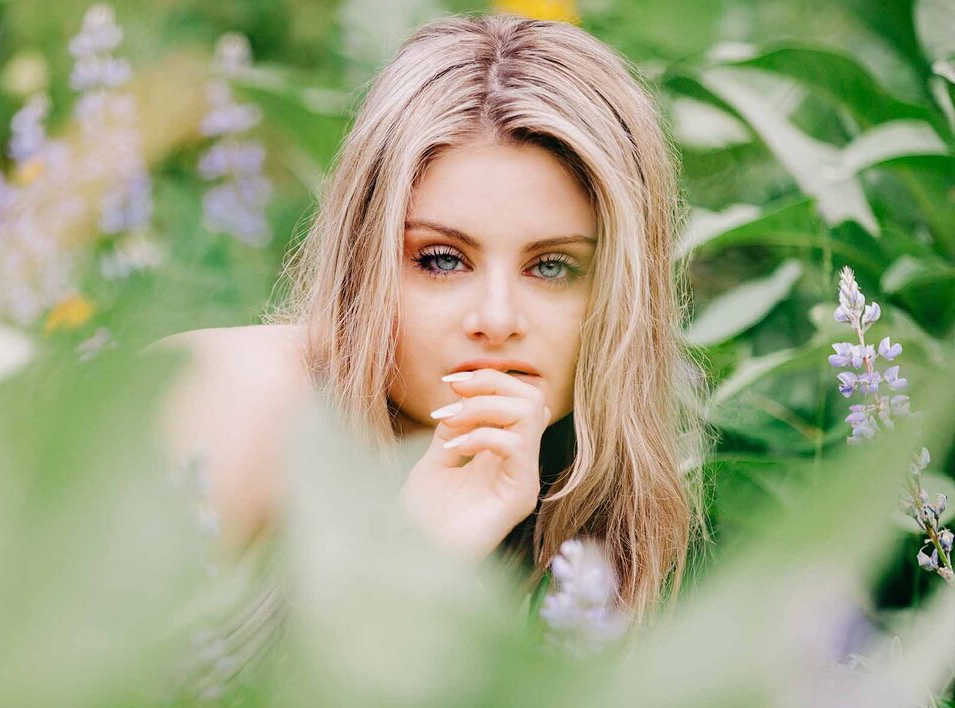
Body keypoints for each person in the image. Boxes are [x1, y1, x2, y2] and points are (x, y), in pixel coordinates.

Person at [155, 13, 709, 625]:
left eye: (552, 267)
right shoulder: (236, 404)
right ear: (365, 260)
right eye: (442, 259)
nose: (496, 320)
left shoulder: (577, 491)